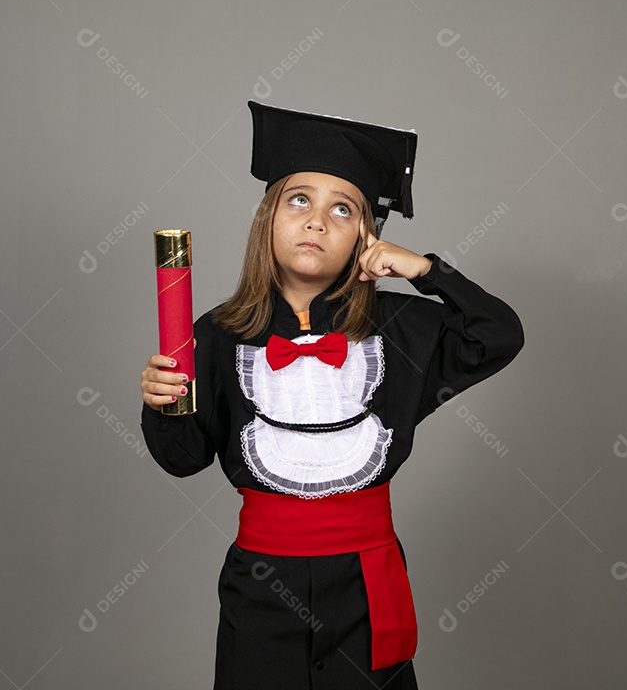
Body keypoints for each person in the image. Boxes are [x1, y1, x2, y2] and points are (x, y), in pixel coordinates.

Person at [139, 100, 524, 689]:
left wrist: (425, 272)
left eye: (341, 210)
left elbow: (498, 335)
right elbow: (183, 458)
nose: (316, 221)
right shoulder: (216, 335)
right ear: (267, 216)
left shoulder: (401, 332)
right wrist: (164, 402)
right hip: (261, 589)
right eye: (299, 200)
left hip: (367, 592)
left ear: (366, 237)